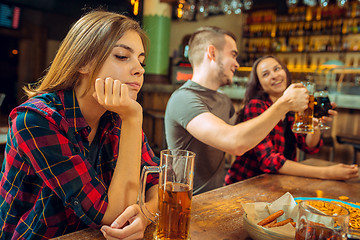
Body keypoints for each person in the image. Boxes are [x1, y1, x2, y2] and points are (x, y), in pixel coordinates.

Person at [0, 10, 159, 240]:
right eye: (123, 57)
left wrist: (145, 215)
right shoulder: (35, 121)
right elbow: (112, 215)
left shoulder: (117, 114)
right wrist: (133, 119)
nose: (140, 69)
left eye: (141, 61)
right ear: (84, 62)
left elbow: (157, 182)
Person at [164, 26, 311, 195]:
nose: (237, 63)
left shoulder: (223, 99)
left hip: (216, 197)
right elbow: (235, 142)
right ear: (212, 53)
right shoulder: (184, 99)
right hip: (187, 202)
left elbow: (248, 136)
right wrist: (284, 103)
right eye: (233, 54)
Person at [225, 55, 359, 185]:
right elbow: (269, 161)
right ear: (260, 85)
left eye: (277, 69)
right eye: (266, 74)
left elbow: (309, 146)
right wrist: (327, 173)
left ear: (285, 72)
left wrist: (315, 126)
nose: (274, 75)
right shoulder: (256, 106)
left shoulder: (293, 106)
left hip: (277, 183)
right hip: (246, 184)